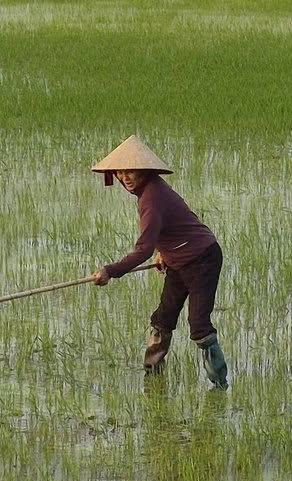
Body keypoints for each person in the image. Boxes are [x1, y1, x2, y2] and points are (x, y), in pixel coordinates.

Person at [88, 136, 228, 388]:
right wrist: (165, 252)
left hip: (202, 260)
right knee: (162, 319)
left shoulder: (152, 197)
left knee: (199, 326)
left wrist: (110, 271)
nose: (124, 177)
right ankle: (152, 376)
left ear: (145, 171)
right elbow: (177, 224)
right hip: (178, 260)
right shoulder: (151, 192)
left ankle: (220, 384)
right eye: (120, 171)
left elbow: (143, 249)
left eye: (130, 171)